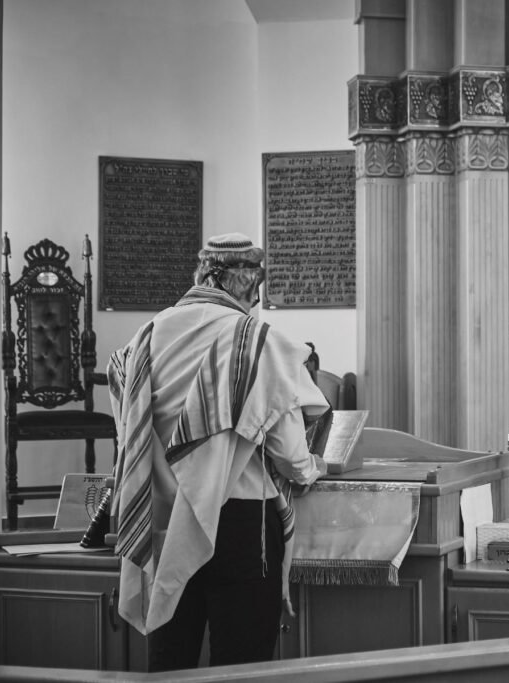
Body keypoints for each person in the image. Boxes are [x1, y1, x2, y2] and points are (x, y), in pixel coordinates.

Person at [107, 232, 330, 671]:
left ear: (203, 275)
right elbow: (288, 453)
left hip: (167, 520)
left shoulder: (148, 335)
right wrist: (313, 467)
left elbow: (131, 429)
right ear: (250, 284)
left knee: (171, 659)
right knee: (242, 664)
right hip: (242, 524)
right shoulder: (255, 340)